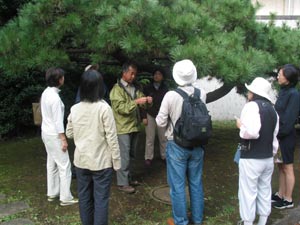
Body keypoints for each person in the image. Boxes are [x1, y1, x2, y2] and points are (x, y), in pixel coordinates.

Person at [66, 69, 121, 225]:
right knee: (101, 200)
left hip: (81, 161)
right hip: (101, 162)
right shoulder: (104, 108)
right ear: (99, 87)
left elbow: (69, 133)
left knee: (84, 198)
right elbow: (112, 138)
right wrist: (117, 162)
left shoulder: (75, 108)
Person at [156, 59, 206, 225]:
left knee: (177, 186)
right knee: (196, 182)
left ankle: (181, 221)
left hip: (177, 145)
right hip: (197, 145)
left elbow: (160, 122)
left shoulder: (171, 95)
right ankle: (197, 219)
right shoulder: (202, 93)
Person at [235, 77, 279, 225]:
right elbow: (274, 138)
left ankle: (248, 222)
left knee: (248, 192)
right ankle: (263, 221)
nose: (248, 93)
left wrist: (240, 125)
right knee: (265, 190)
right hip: (267, 158)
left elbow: (252, 132)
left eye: (250, 90)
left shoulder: (251, 106)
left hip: (251, 157)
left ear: (253, 92)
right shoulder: (273, 111)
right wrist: (271, 154)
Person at [109, 62, 153, 194]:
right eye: (131, 73)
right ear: (124, 73)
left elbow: (143, 106)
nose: (133, 76)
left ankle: (128, 178)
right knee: (124, 156)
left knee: (132, 155)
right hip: (122, 128)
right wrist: (136, 102)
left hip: (134, 127)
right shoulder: (116, 90)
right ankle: (122, 183)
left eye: (135, 74)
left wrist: (148, 102)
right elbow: (121, 109)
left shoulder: (135, 88)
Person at [40, 67, 78, 206]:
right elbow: (57, 121)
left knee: (51, 163)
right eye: (62, 77)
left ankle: (52, 192)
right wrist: (63, 139)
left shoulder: (46, 93)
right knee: (64, 165)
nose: (63, 78)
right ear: (59, 80)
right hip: (54, 134)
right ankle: (65, 197)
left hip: (46, 132)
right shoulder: (54, 98)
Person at [272, 64, 300, 209]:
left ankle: (288, 199)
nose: (277, 76)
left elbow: (289, 120)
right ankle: (280, 194)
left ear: (288, 79)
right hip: (279, 135)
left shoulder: (294, 95)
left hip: (286, 136)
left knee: (288, 167)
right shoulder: (283, 91)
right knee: (280, 166)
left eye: (280, 74)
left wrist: (278, 133)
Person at [141, 69, 168, 166]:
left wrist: (167, 116)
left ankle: (164, 156)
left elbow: (168, 104)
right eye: (155, 74)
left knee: (163, 137)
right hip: (150, 114)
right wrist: (144, 116)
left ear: (163, 77)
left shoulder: (165, 89)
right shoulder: (147, 87)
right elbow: (143, 103)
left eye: (159, 74)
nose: (157, 76)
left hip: (162, 115)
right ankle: (148, 157)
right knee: (150, 137)